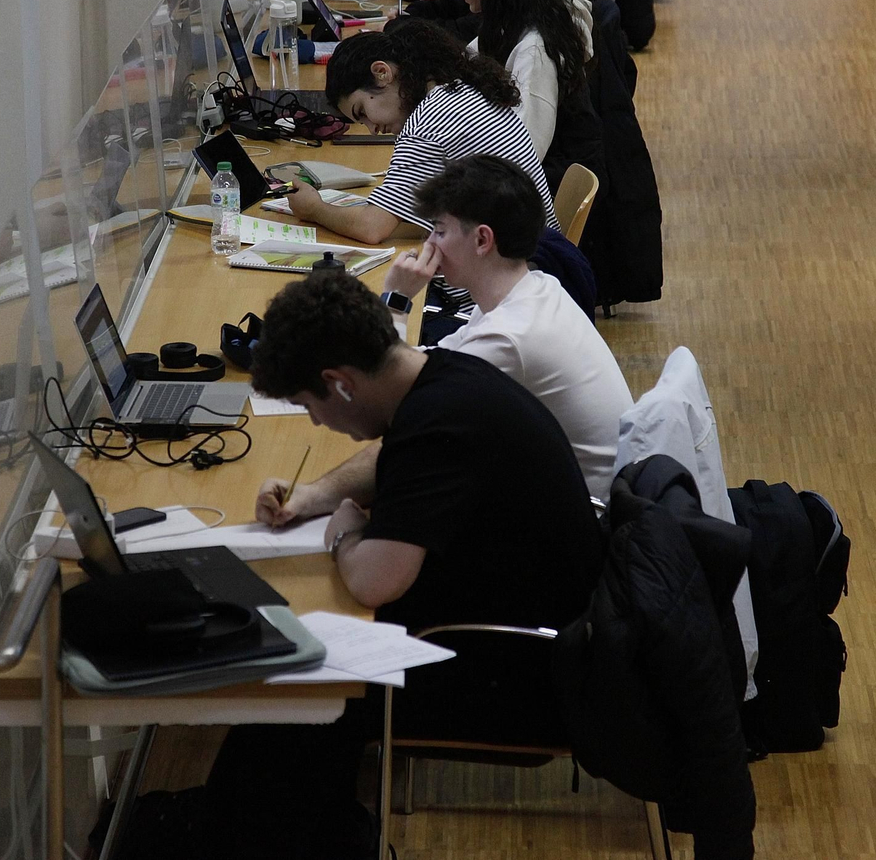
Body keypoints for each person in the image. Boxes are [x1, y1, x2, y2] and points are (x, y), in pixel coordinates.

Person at [185, 269, 604, 858]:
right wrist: (316, 495)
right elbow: (393, 459)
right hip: (535, 624)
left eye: (311, 404)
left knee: (299, 698)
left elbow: (375, 579)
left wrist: (344, 535)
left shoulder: (441, 425)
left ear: (340, 383)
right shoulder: (439, 382)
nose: (316, 423)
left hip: (527, 671)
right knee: (290, 712)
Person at [379, 155, 632, 497]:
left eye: (439, 231)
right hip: (578, 495)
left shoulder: (510, 335)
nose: (429, 245)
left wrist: (396, 299)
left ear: (483, 240)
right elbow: (429, 363)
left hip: (586, 522)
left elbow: (397, 401)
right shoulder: (531, 288)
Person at [295, 20, 559, 257]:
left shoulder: (428, 121)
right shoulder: (458, 90)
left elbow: (372, 227)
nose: (371, 128)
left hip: (498, 289)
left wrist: (314, 209)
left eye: (362, 112)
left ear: (382, 72)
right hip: (533, 265)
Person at [450, 0, 599, 173]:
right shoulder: (513, 18)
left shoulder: (535, 49)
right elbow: (462, 72)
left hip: (541, 189)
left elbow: (523, 157)